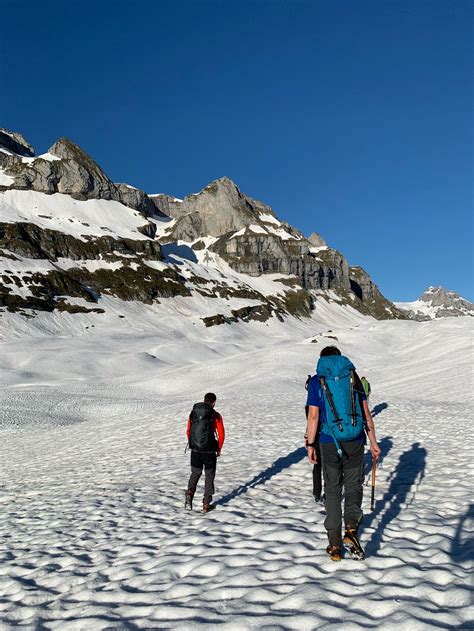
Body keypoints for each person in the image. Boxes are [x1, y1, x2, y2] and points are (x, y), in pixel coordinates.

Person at [306, 346, 381, 561]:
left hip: (329, 441)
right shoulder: (352, 376)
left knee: (332, 490)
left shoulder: (316, 381)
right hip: (355, 440)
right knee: (353, 485)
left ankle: (335, 545)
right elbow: (365, 413)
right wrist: (374, 442)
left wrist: (310, 444)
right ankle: (351, 529)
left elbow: (313, 416)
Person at [185, 392, 225, 513]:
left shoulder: (194, 413)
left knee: (195, 473)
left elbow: (188, 431)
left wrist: (194, 443)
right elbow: (222, 435)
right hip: (209, 450)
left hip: (196, 449)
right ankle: (206, 504)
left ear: (204, 400)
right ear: (214, 403)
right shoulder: (215, 415)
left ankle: (190, 492)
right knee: (209, 476)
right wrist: (218, 448)